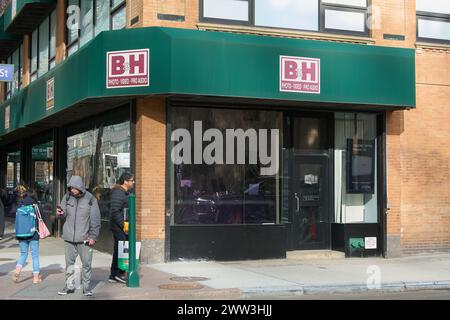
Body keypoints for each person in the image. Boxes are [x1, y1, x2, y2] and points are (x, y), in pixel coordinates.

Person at [56, 176, 101, 297]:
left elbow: (95, 220)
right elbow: (63, 213)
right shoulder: (67, 197)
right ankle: (69, 286)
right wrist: (60, 214)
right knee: (69, 263)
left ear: (80, 187)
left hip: (85, 238)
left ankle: (86, 288)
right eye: (70, 188)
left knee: (86, 263)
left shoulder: (90, 199)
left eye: (74, 188)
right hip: (69, 237)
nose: (72, 190)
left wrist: (93, 236)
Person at [11, 185, 49, 284]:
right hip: (34, 234)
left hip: (22, 234)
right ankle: (36, 278)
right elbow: (43, 220)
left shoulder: (20, 205)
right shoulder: (37, 206)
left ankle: (17, 271)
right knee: (35, 256)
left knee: (23, 254)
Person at [108, 172, 135, 284]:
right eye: (131, 180)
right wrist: (124, 225)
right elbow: (115, 211)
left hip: (122, 226)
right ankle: (118, 274)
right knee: (120, 249)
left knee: (119, 249)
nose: (133, 182)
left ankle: (114, 274)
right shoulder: (119, 193)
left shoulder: (124, 193)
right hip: (118, 227)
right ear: (125, 181)